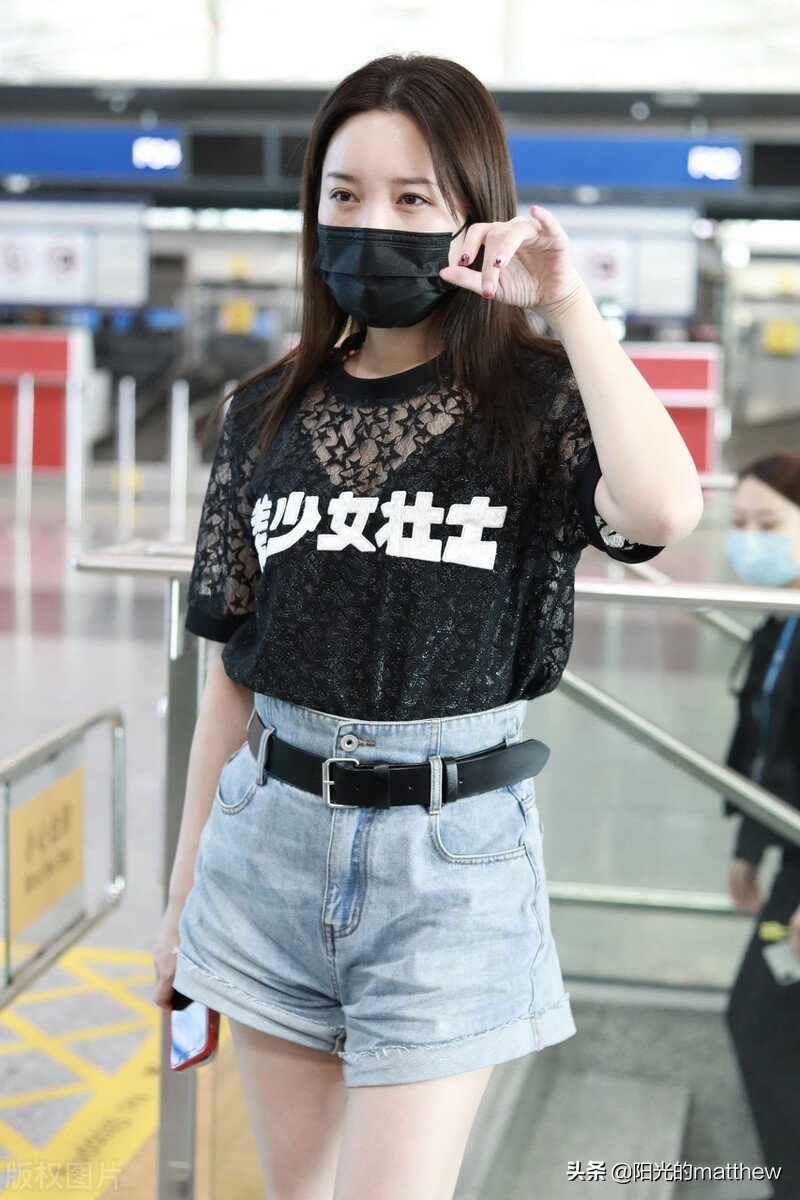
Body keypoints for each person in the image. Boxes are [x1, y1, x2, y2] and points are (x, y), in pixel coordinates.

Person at [152, 53, 703, 1200]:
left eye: (413, 199)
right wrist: (177, 904)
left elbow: (659, 511)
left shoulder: (538, 402)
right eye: (343, 195)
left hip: (448, 860)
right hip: (265, 845)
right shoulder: (261, 412)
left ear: (473, 213)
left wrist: (566, 297)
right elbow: (230, 676)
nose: (371, 223)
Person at [723, 453, 800, 1200]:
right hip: (788, 859)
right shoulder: (783, 622)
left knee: (762, 1022)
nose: (749, 540)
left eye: (769, 525)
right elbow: (772, 752)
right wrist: (750, 847)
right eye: (740, 523)